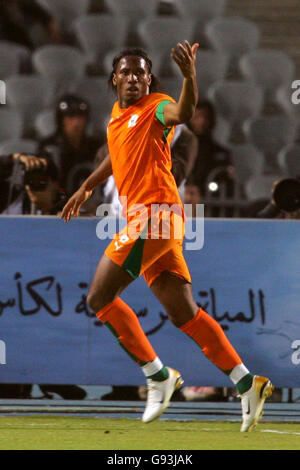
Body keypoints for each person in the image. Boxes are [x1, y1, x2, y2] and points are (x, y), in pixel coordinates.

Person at [61, 42, 273, 432]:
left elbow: (184, 112)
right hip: (159, 221)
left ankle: (158, 376)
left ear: (149, 80)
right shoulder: (117, 116)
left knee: (99, 297)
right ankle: (248, 382)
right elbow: (116, 151)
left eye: (140, 72)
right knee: (184, 313)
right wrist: (88, 185)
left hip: (154, 216)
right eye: (126, 72)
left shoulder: (157, 106)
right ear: (115, 79)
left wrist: (190, 76)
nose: (133, 78)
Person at [38, 94, 102, 194]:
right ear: (61, 120)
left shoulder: (95, 145)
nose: (76, 122)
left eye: (80, 117)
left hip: (93, 202)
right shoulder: (49, 147)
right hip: (60, 204)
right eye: (70, 117)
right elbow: (45, 185)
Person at [187, 100, 235, 196]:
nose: (202, 121)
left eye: (205, 117)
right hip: (184, 202)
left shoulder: (221, 152)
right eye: (197, 117)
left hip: (211, 202)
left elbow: (226, 182)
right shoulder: (177, 150)